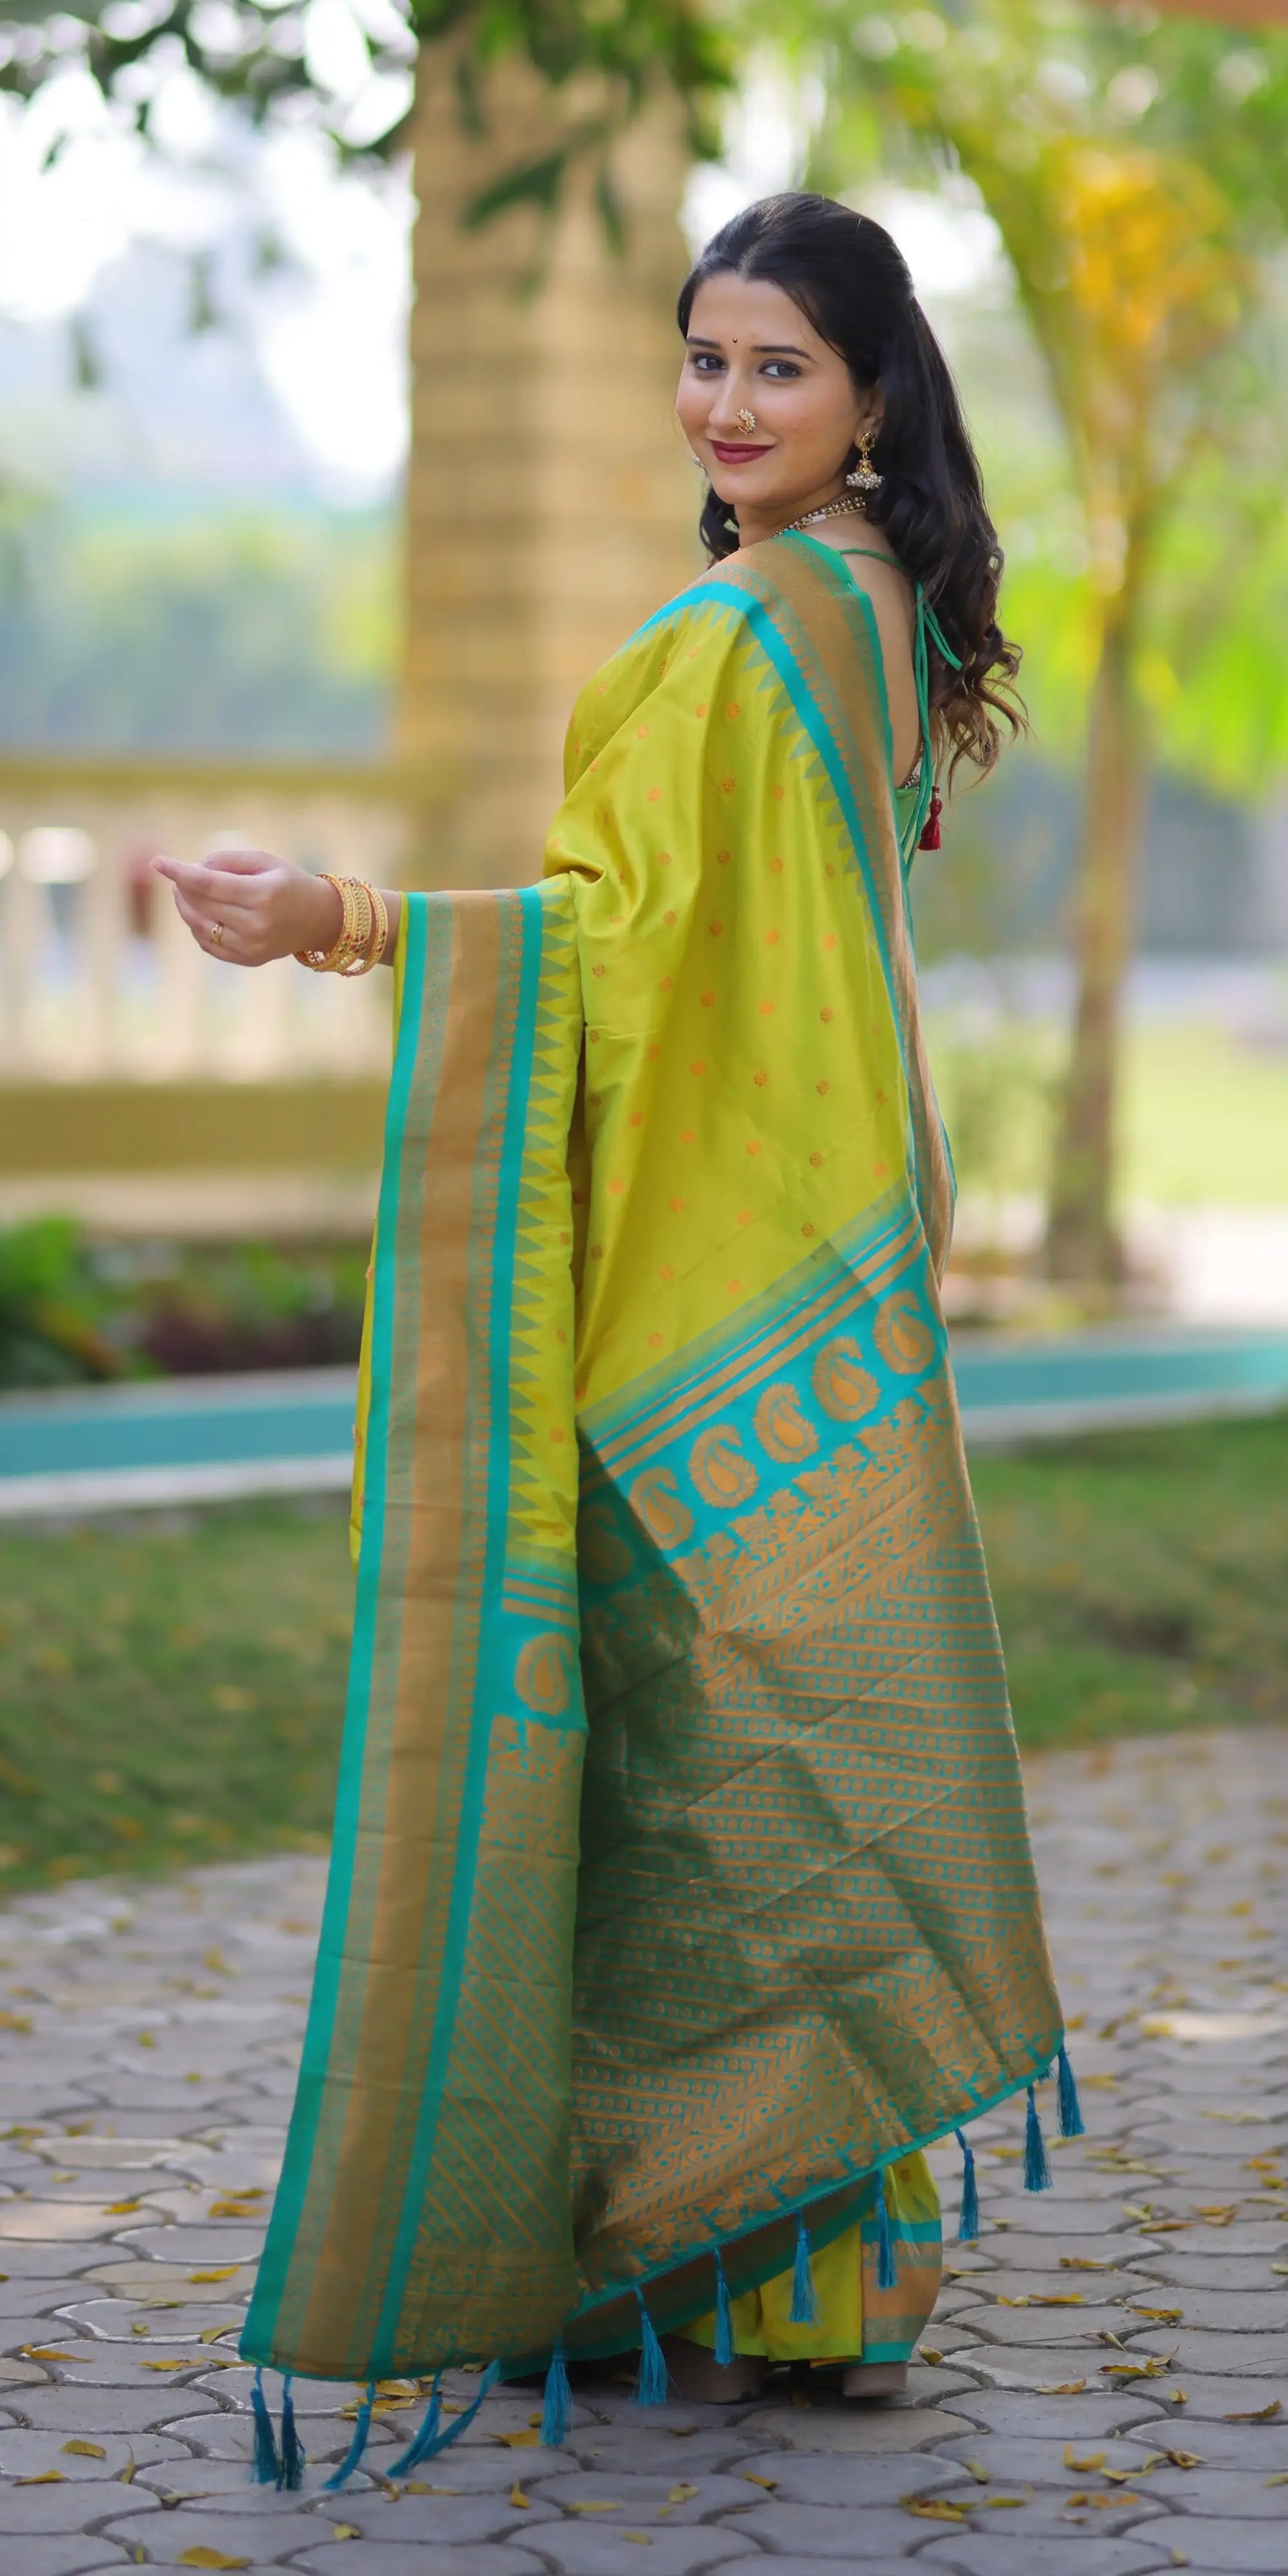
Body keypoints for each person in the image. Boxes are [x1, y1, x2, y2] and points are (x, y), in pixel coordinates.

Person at [157, 192, 1071, 2462]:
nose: (728, 402)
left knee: (691, 1765)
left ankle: (679, 2258)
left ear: (871, 395)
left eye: (777, 365)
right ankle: (798, 2279)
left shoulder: (765, 626)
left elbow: (621, 950)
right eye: (705, 359)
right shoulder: (875, 616)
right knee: (778, 1767)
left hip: (699, 1263)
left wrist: (338, 922)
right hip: (815, 1239)